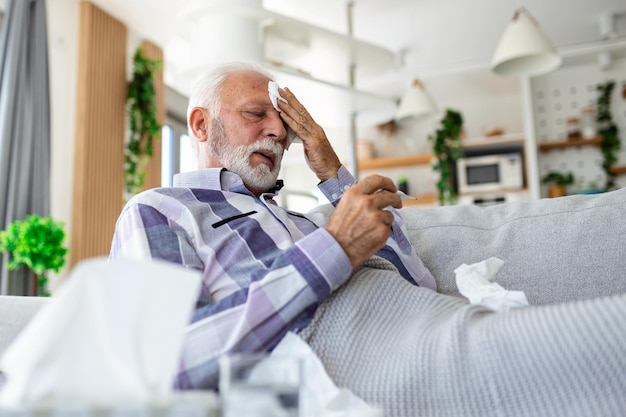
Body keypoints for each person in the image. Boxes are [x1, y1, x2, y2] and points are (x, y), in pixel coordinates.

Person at [109, 61, 435, 389]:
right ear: (200, 125)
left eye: (285, 124)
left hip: (425, 337)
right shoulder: (160, 209)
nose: (279, 133)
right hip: (365, 377)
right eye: (255, 113)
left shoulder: (312, 221)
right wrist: (334, 250)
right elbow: (166, 362)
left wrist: (332, 172)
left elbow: (422, 286)